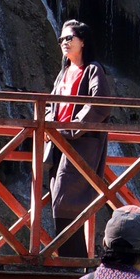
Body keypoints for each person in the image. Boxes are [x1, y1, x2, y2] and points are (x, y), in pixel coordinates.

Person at [46, 20, 108, 258]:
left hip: (80, 144)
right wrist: (51, 127)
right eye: (61, 39)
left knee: (64, 199)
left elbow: (100, 104)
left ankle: (74, 262)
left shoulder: (93, 69)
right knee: (59, 199)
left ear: (83, 41)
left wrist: (73, 129)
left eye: (69, 38)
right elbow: (51, 103)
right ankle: (74, 260)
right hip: (58, 143)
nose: (64, 43)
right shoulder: (63, 72)